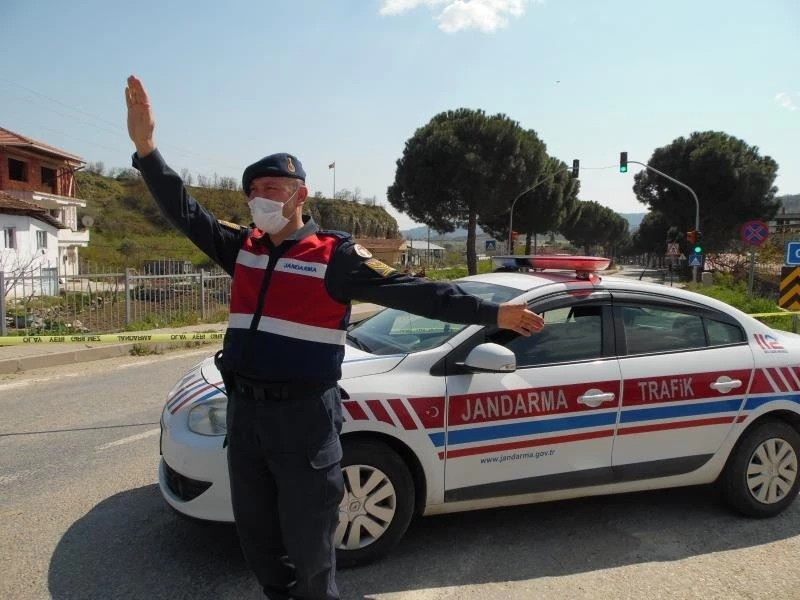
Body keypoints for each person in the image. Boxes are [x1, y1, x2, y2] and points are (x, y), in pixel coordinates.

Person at [125, 74, 544, 600]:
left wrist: (493, 311)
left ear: (299, 195)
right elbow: (185, 211)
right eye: (253, 192)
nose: (259, 199)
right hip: (246, 416)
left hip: (304, 419)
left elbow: (418, 293)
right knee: (256, 538)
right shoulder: (244, 248)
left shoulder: (335, 256)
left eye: (271, 190)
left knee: (310, 547)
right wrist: (147, 150)